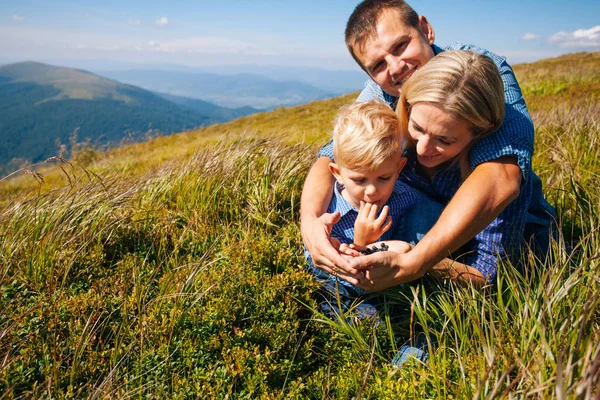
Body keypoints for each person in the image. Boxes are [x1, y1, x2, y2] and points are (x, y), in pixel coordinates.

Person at [301, 0, 557, 290]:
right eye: (378, 65)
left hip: (490, 240)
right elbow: (336, 152)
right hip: (414, 225)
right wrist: (310, 222)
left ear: (425, 29)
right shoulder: (385, 89)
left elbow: (503, 175)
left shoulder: (480, 78)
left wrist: (414, 262)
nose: (397, 67)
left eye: (400, 46)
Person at [304, 100, 422, 319]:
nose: (371, 191)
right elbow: (344, 277)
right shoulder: (331, 216)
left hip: (389, 283)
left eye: (384, 178)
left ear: (399, 168)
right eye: (359, 180)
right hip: (341, 289)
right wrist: (362, 243)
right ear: (336, 172)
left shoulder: (406, 198)